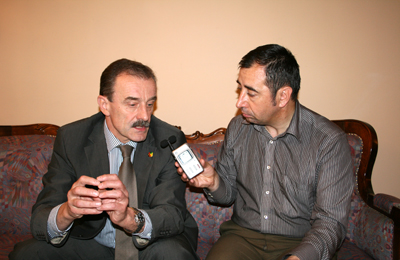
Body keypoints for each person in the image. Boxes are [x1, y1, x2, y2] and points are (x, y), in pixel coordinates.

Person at [178, 44, 354, 260]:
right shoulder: (238, 128)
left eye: (251, 93)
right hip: (242, 237)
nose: (239, 101)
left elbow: (330, 223)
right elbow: (227, 195)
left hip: (301, 241)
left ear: (282, 97)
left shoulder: (328, 142)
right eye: (240, 88)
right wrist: (214, 181)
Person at [10, 59, 199, 260]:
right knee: (27, 254)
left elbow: (172, 215)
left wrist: (129, 218)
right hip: (92, 244)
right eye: (132, 104)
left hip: (151, 243)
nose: (145, 115)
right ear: (104, 105)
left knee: (173, 255)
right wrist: (68, 211)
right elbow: (40, 218)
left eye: (150, 103)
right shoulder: (72, 139)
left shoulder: (167, 139)